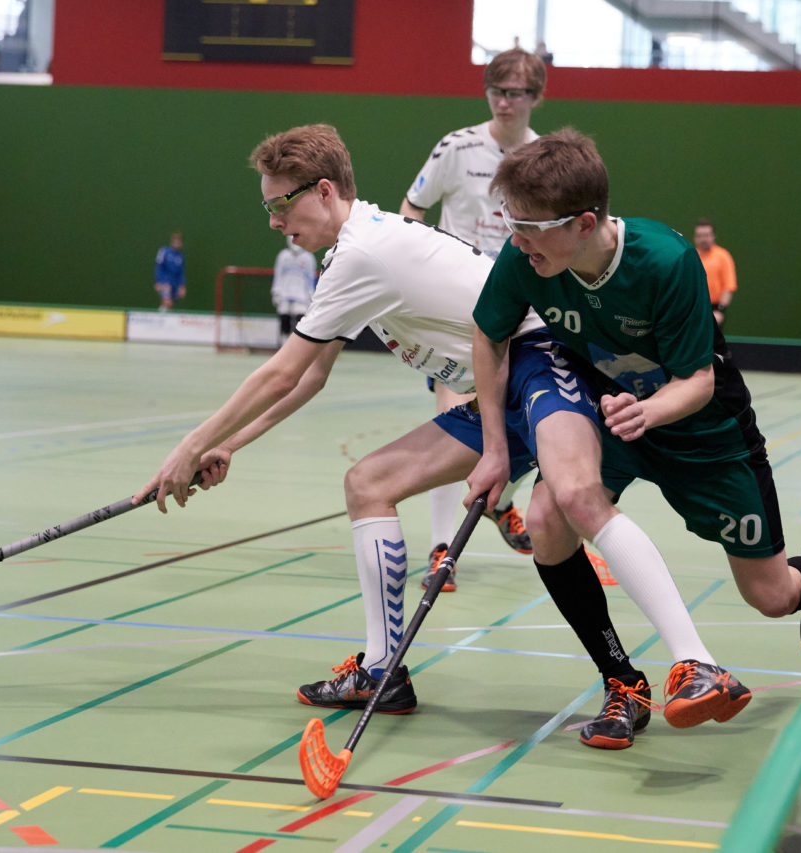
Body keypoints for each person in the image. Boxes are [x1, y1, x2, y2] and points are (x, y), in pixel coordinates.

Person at [135, 124, 738, 749]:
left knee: (578, 498)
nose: (273, 222)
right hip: (496, 384)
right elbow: (310, 377)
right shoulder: (354, 251)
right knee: (368, 483)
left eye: (278, 204)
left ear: (320, 192)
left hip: (538, 357)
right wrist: (230, 443)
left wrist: (185, 449)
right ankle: (381, 671)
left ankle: (695, 661)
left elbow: (283, 368)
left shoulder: (364, 252)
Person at [467, 131, 801, 733]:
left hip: (703, 433)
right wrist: (494, 450)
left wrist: (649, 412)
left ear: (584, 222)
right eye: (512, 224)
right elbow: (488, 337)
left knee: (771, 596)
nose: (516, 241)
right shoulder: (527, 261)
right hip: (615, 421)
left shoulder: (666, 263)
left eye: (531, 228)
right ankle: (623, 683)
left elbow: (697, 380)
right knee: (546, 519)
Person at [400, 47, 547, 576]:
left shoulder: (543, 157)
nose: (505, 102)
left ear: (536, 98)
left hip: (523, 309)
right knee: (452, 421)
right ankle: (444, 549)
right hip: (456, 308)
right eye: (497, 91)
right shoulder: (456, 148)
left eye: (517, 93)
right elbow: (412, 207)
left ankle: (502, 500)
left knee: (533, 424)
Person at [269, 234, 315, 344]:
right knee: (284, 314)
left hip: (301, 295)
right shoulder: (283, 256)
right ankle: (284, 342)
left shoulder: (308, 258)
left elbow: (311, 278)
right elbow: (278, 275)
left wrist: (311, 295)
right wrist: (276, 292)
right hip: (285, 293)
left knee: (300, 315)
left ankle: (299, 343)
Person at [693, 219, 736, 328]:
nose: (703, 239)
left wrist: (720, 310)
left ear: (713, 236)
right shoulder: (691, 256)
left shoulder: (723, 256)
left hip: (715, 309)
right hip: (694, 308)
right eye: (700, 235)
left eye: (706, 235)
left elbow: (729, 287)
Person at [154, 231, 186, 311]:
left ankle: (162, 317)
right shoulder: (164, 251)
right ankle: (158, 319)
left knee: (169, 305)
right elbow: (159, 266)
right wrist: (158, 281)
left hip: (174, 283)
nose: (177, 242)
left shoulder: (180, 256)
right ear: (172, 241)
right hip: (165, 281)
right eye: (175, 240)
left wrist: (181, 286)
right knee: (167, 302)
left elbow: (181, 272)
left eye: (179, 241)